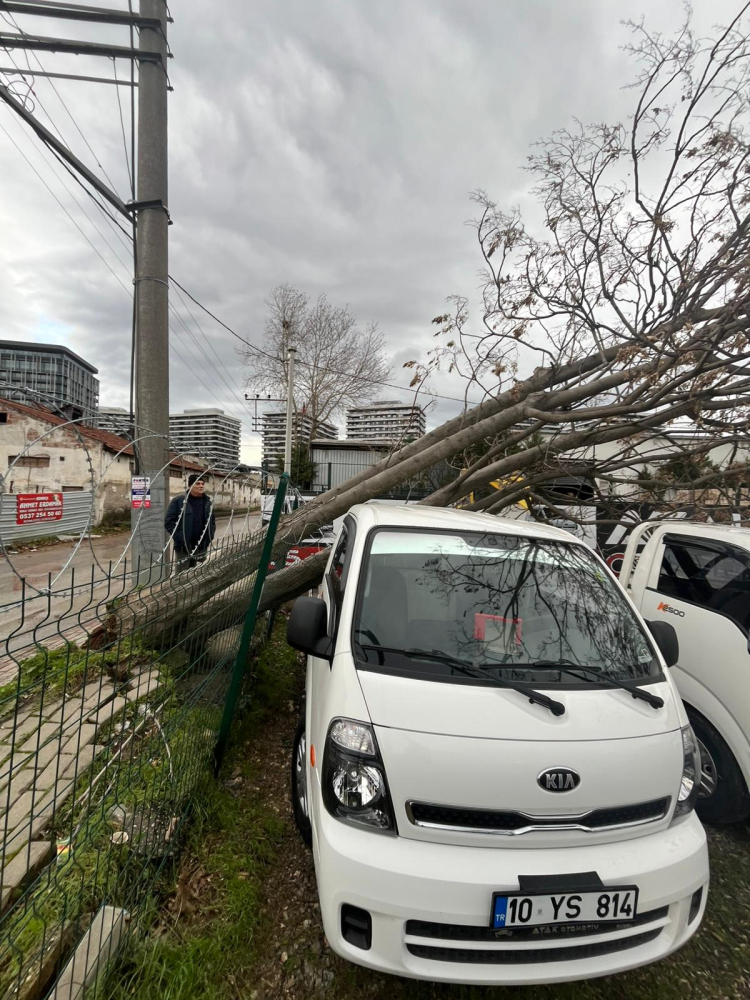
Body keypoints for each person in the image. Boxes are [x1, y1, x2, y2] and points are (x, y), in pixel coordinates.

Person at [164, 473, 216, 573]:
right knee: (182, 575)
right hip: (184, 546)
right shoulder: (179, 501)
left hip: (201, 545)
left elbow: (212, 521)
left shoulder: (207, 502)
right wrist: (180, 538)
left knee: (199, 573)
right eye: (197, 484)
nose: (201, 486)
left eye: (202, 484)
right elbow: (169, 522)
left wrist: (210, 536)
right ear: (190, 485)